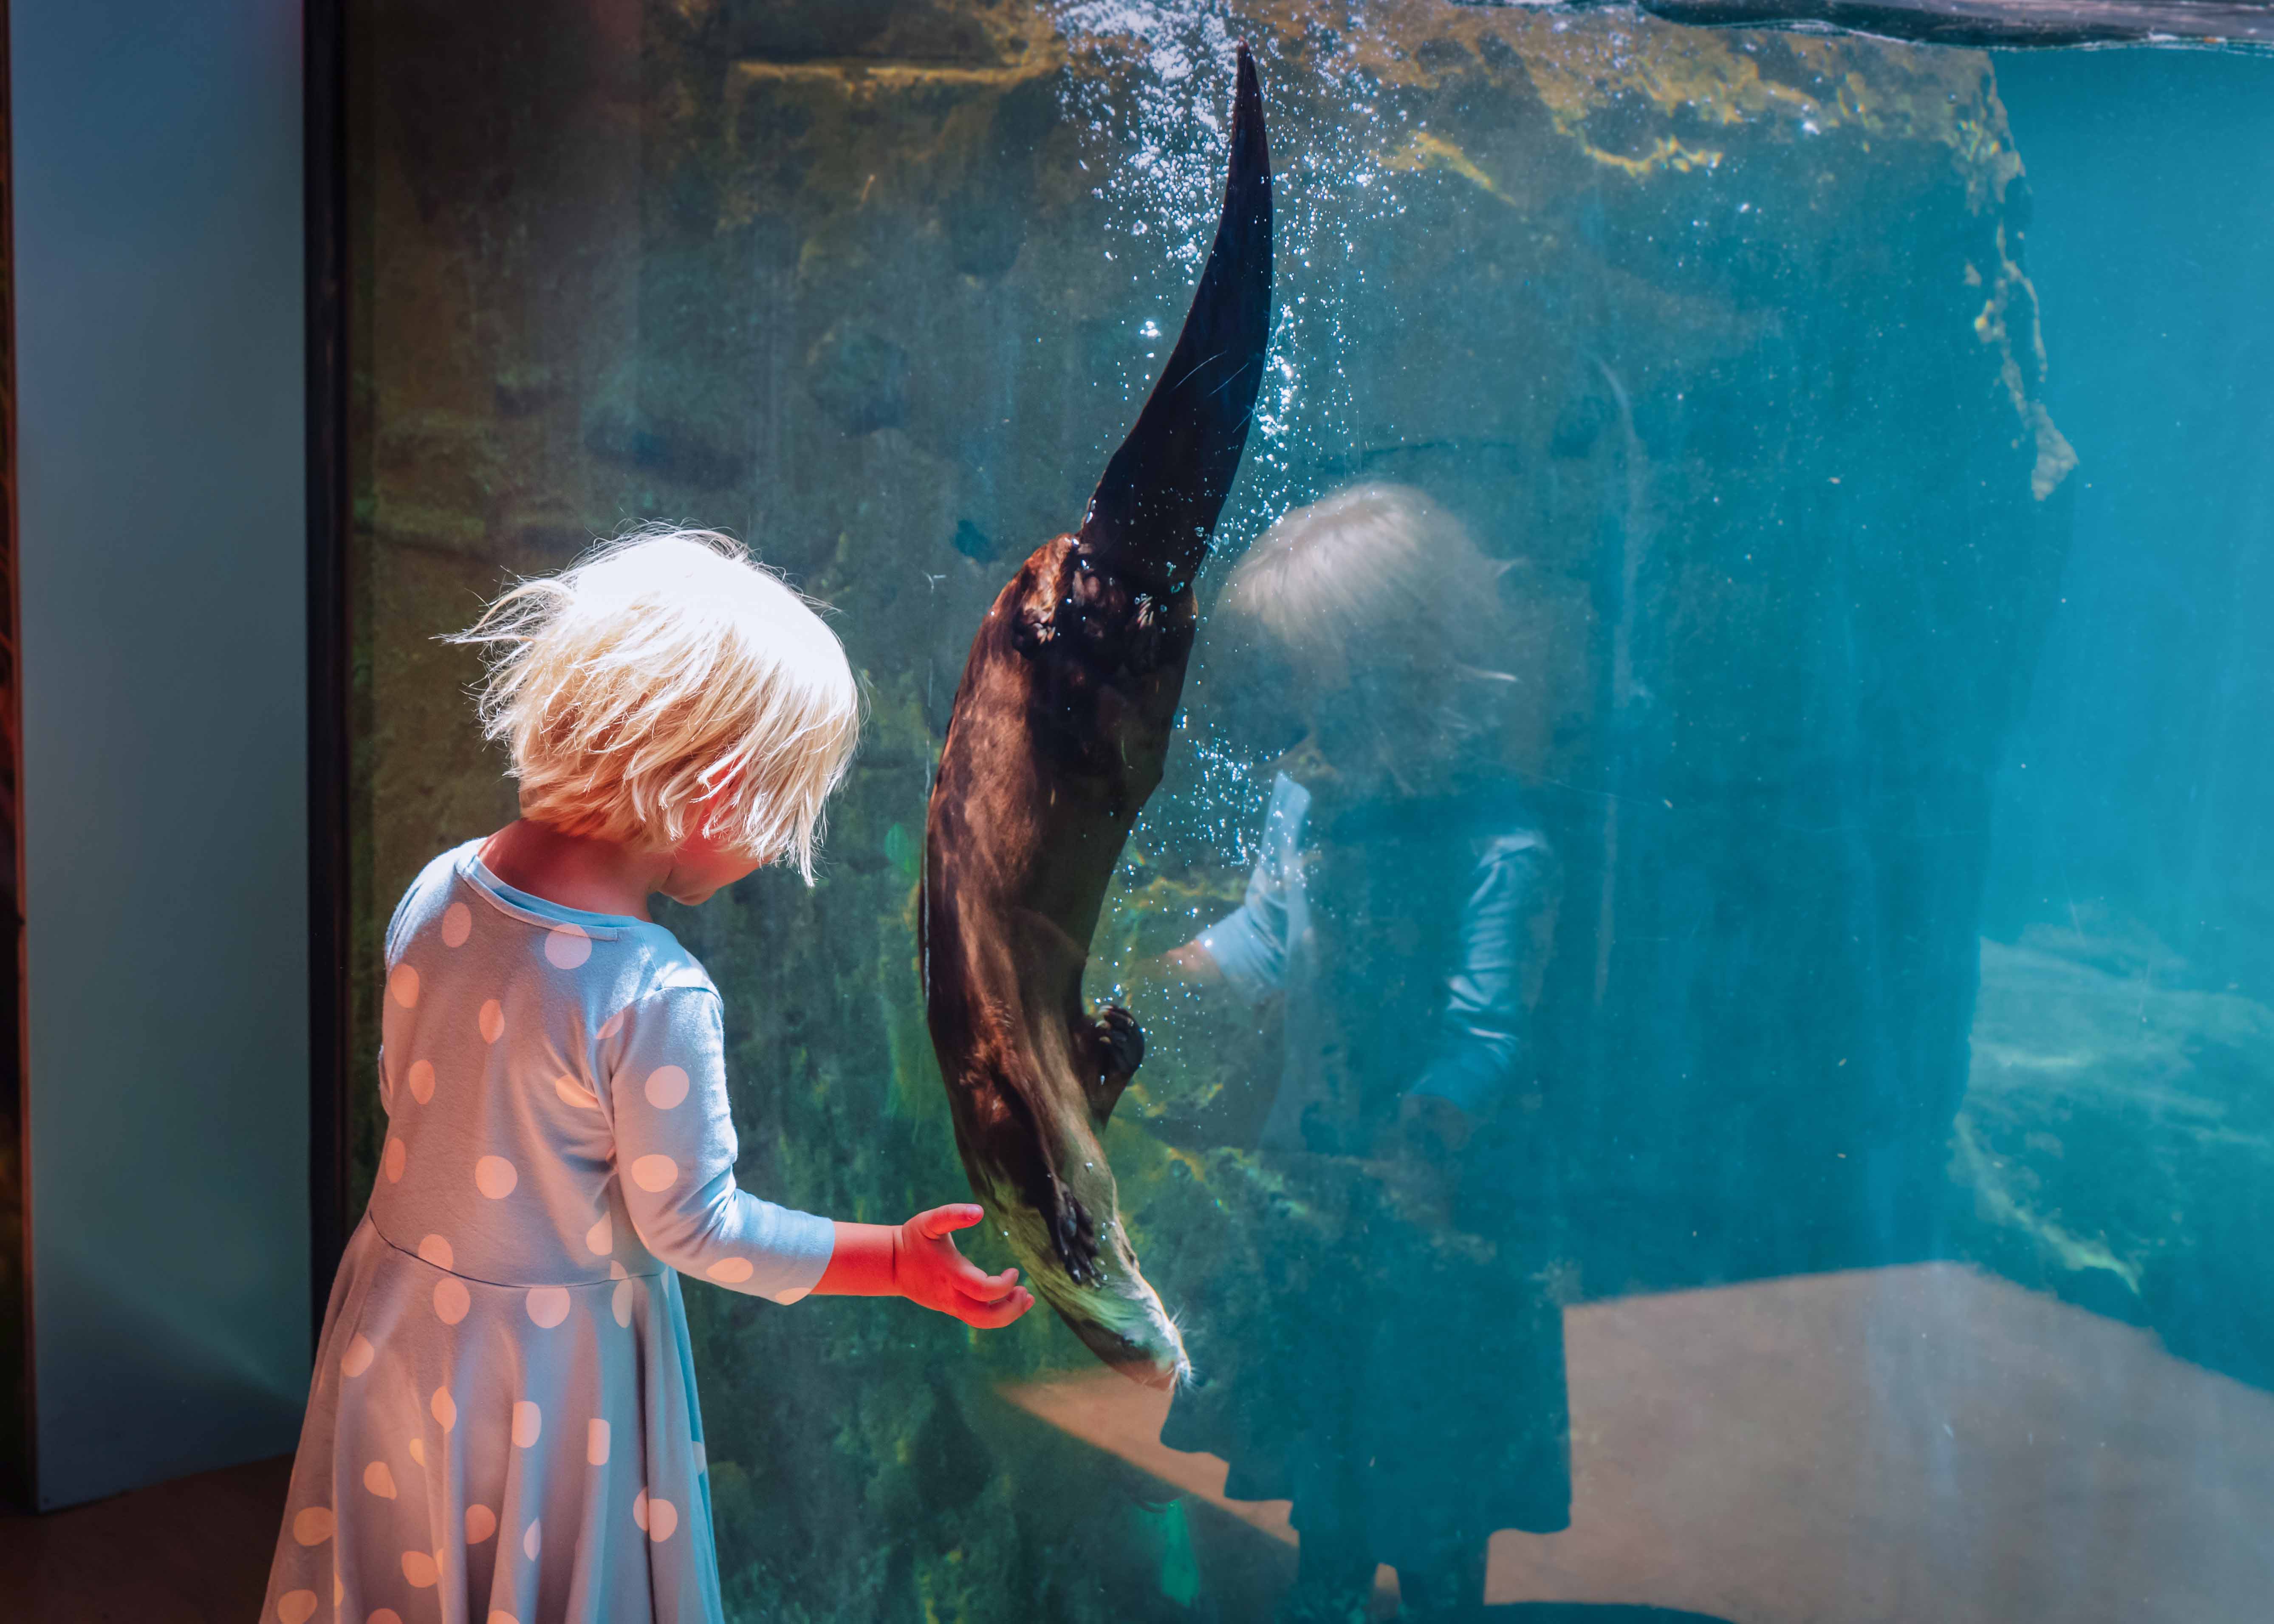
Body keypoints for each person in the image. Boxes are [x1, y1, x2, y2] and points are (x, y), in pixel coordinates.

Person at [261, 528, 1032, 1624]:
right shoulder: (651, 992)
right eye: (781, 815)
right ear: (717, 795)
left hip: (400, 1336)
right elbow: (696, 1229)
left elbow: (416, 1104)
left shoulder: (438, 890)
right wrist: (893, 1262)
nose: (774, 851)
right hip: (549, 1382)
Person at [1149, 484, 1571, 1624]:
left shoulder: (1497, 845)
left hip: (1441, 1215)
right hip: (1318, 1196)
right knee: (1327, 1461)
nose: (1301, 726)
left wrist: (1423, 1139)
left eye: (1322, 690)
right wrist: (1163, 978)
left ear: (1406, 671)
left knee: (1438, 1482)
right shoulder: (1307, 802)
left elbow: (1488, 1034)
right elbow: (1266, 936)